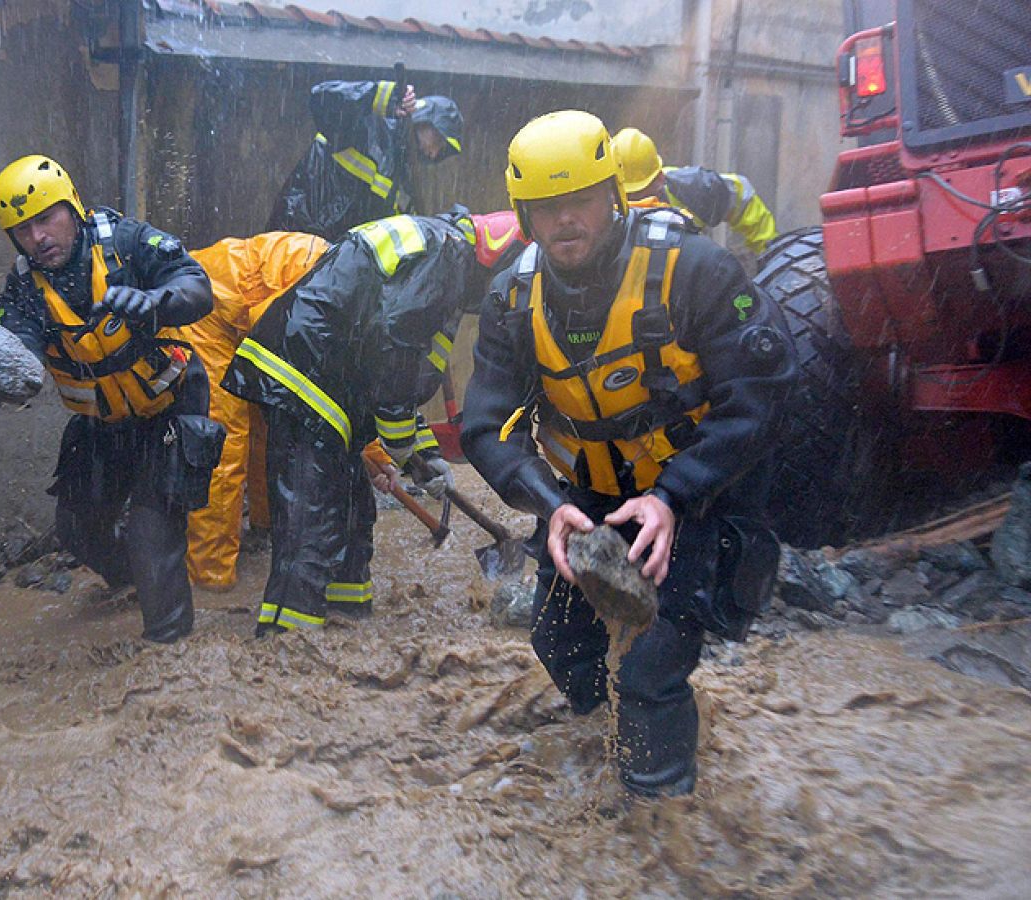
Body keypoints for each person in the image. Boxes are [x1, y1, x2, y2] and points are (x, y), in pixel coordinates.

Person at [461, 111, 798, 797]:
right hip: (586, 500)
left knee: (649, 669)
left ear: (613, 194)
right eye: (547, 208)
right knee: (556, 641)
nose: (566, 222)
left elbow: (761, 394)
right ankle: (594, 738)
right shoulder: (511, 298)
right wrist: (549, 505)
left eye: (581, 199)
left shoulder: (695, 270)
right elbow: (486, 426)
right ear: (524, 215)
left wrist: (674, 496)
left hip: (693, 493)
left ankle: (658, 812)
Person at [224, 208, 522, 635]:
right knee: (312, 523)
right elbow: (396, 353)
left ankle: (350, 627)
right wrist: (403, 448)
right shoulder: (445, 257)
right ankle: (285, 649)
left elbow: (404, 375)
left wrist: (425, 454)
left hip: (330, 386)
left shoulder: (440, 257)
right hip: (307, 375)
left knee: (351, 517)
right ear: (499, 258)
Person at [0, 154, 221, 644]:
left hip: (170, 408)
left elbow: (197, 286)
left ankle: (170, 649)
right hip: (102, 421)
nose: (38, 239)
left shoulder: (130, 243)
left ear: (72, 208)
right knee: (77, 528)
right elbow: (17, 351)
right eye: (22, 231)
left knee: (152, 534)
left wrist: (157, 303)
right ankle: (131, 582)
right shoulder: (24, 290)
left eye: (45, 220)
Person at [182, 232, 330, 590]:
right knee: (224, 444)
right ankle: (210, 574)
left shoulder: (345, 281)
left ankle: (263, 528)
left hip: (247, 313)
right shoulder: (326, 295)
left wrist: (379, 459)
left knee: (269, 421)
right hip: (207, 310)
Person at [267, 78, 463, 242]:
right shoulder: (369, 127)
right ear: (424, 118)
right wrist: (380, 94)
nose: (435, 153)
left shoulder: (404, 177)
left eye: (442, 151)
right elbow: (323, 97)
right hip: (295, 239)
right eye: (438, 141)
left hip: (332, 264)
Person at [611, 127, 778, 256]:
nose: (635, 205)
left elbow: (742, 199)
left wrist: (770, 254)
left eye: (639, 195)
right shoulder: (597, 206)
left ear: (660, 179)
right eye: (624, 197)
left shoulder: (693, 188)